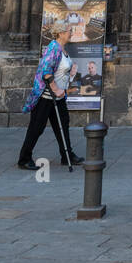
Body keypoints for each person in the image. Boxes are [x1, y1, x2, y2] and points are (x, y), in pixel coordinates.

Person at [17, 23, 83, 170]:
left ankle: (67, 155)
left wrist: (71, 74)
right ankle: (24, 159)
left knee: (63, 125)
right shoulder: (53, 48)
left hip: (57, 97)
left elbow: (60, 70)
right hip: (46, 97)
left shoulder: (62, 48)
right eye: (69, 31)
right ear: (60, 33)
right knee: (37, 127)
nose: (71, 33)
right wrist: (56, 88)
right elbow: (46, 71)